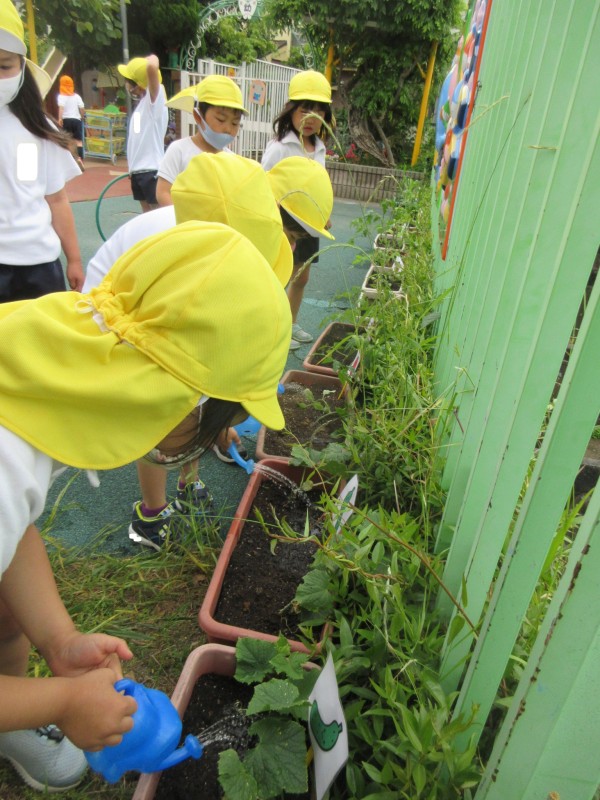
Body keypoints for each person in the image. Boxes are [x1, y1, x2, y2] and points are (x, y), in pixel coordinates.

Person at [0, 220, 290, 791]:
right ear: (185, 402)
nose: (217, 439)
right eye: (224, 419)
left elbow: (16, 531)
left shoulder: (48, 362)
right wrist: (58, 701)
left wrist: (58, 641)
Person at [82, 152, 332, 546]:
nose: (292, 244)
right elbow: (186, 357)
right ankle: (151, 516)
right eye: (293, 234)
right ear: (274, 214)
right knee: (164, 404)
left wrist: (213, 426)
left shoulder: (242, 231)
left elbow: (209, 363)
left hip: (162, 292)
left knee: (194, 387)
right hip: (118, 303)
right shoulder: (213, 236)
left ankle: (188, 479)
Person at [0, 0, 84, 302]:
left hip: (38, 267)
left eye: (4, 66)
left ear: (22, 66)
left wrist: (73, 258)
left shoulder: (36, 127)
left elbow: (56, 198)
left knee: (39, 347)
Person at [261, 70, 335, 351]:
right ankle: (273, 328)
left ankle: (290, 324)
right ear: (291, 111)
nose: (310, 119)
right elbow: (263, 183)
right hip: (283, 223)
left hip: (308, 223)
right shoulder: (280, 147)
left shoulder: (319, 148)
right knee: (278, 275)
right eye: (305, 110)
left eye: (318, 112)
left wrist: (323, 214)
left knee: (302, 276)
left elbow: (320, 183)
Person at [156, 74, 247, 206]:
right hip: (185, 224)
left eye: (234, 123)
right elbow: (163, 192)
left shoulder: (232, 160)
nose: (228, 129)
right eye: (221, 120)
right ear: (198, 117)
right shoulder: (179, 150)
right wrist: (180, 220)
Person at [117, 55, 168, 212]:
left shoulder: (155, 102)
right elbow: (136, 140)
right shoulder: (141, 107)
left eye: (128, 81)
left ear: (139, 86)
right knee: (146, 218)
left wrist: (151, 58)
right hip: (139, 172)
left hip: (151, 170)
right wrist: (132, 168)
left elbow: (152, 67)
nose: (126, 84)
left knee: (157, 218)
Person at [57, 74, 85, 171]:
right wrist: (82, 117)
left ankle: (72, 160)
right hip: (76, 120)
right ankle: (80, 159)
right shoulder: (77, 96)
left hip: (66, 120)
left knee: (68, 141)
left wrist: (59, 119)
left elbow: (61, 108)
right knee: (79, 142)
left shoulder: (61, 96)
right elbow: (82, 108)